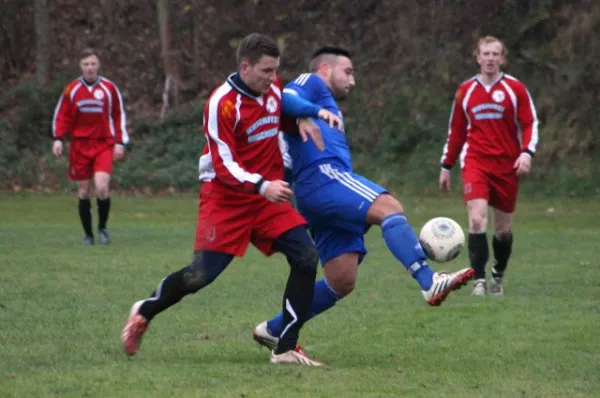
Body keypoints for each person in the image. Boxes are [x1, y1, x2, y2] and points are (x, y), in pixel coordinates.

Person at [121, 33, 343, 366]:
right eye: (266, 71)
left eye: (275, 71)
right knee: (200, 276)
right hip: (227, 198)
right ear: (245, 66)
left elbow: (282, 108)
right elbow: (223, 164)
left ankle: (285, 348)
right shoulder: (221, 104)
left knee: (306, 257)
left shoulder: (270, 89)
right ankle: (145, 310)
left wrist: (304, 117)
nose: (272, 79)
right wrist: (261, 186)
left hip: (266, 198)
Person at [252, 46, 475, 352]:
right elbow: (286, 99)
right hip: (325, 177)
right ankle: (428, 280)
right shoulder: (312, 84)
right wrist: (313, 112)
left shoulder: (325, 103)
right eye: (348, 71)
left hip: (317, 190)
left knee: (341, 280)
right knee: (390, 208)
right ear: (325, 70)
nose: (353, 80)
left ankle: (274, 329)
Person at [438, 36, 539, 296]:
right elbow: (456, 130)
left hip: (507, 165)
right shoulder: (466, 91)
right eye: (486, 53)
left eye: (496, 54)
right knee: (476, 219)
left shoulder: (515, 89)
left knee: (503, 230)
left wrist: (526, 153)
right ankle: (479, 281)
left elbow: (529, 123)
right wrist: (446, 165)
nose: (491, 58)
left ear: (502, 59)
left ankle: (497, 275)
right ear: (478, 57)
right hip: (476, 162)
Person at [52, 48, 129, 245]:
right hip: (79, 146)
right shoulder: (72, 89)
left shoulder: (109, 89)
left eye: (93, 64)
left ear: (98, 65)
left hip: (104, 144)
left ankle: (102, 228)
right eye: (86, 64)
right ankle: (88, 235)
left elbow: (118, 115)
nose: (90, 68)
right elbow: (62, 115)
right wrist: (58, 138)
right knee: (84, 191)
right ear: (81, 66)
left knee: (102, 188)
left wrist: (120, 142)